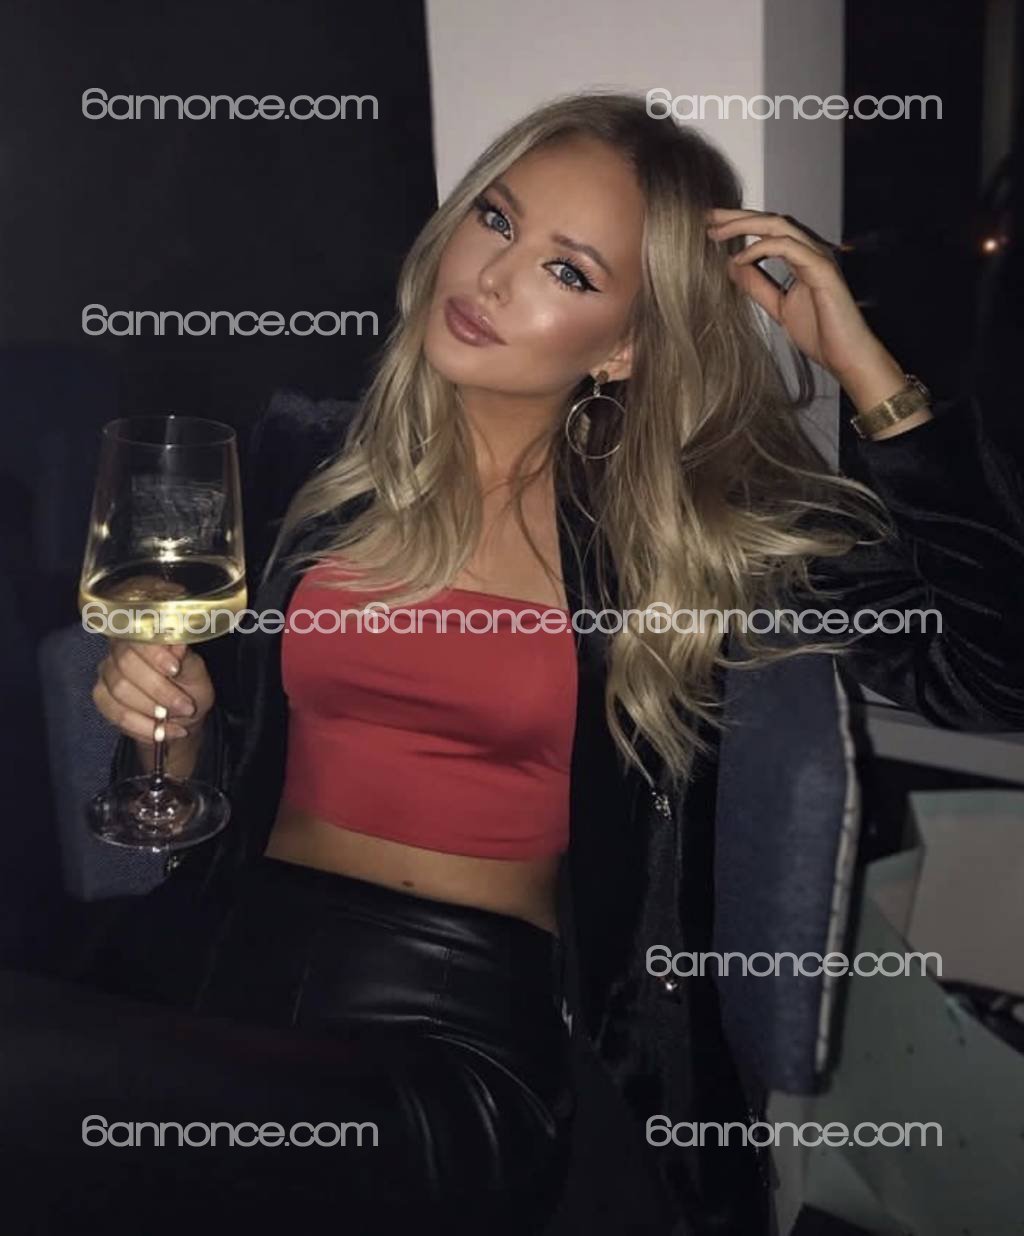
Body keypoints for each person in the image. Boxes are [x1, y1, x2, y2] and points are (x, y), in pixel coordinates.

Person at [9, 90, 1024, 1235]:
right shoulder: (310, 463)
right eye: (495, 218)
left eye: (567, 270)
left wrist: (870, 371)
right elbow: (215, 787)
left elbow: (992, 675)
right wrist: (179, 730)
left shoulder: (676, 548)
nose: (491, 275)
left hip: (448, 1033)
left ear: (625, 347)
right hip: (219, 956)